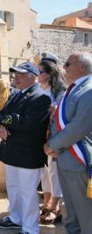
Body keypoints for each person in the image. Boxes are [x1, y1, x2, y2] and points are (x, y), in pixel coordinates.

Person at [0, 61, 51, 234]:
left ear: (32, 77)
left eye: (20, 74)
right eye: (15, 74)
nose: (15, 77)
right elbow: (1, 114)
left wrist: (5, 120)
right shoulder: (17, 94)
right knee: (13, 187)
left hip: (28, 154)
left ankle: (30, 228)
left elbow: (27, 122)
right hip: (12, 151)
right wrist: (0, 126)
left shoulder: (40, 97)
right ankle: (16, 218)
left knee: (28, 193)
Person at [45, 52, 92, 234]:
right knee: (71, 213)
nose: (63, 68)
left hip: (79, 160)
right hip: (65, 158)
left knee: (85, 213)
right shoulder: (73, 88)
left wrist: (52, 145)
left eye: (67, 64)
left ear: (82, 66)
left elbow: (78, 127)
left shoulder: (88, 89)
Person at [37, 59, 66, 224]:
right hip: (40, 136)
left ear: (50, 74)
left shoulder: (60, 92)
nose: (38, 75)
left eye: (40, 72)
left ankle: (56, 207)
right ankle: (47, 201)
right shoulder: (39, 89)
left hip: (54, 137)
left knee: (54, 171)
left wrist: (53, 112)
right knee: (44, 171)